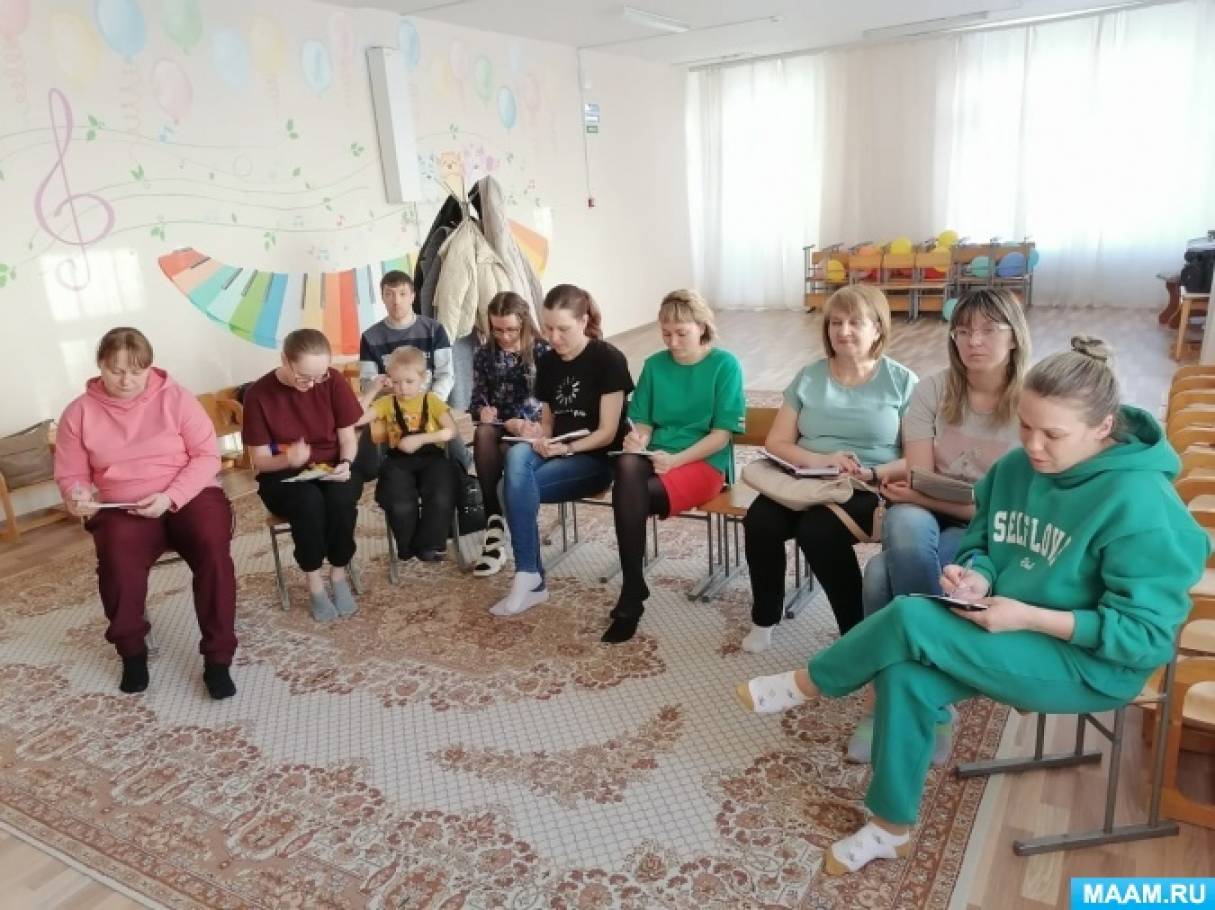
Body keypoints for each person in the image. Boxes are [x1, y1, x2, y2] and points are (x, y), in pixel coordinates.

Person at [737, 337, 1208, 876]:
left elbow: (1144, 639)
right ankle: (890, 829)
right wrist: (977, 576)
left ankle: (809, 683)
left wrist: (1026, 616)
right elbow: (984, 541)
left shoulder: (1144, 507)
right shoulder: (1016, 468)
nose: (1033, 446)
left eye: (1053, 434)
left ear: (1103, 427)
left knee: (910, 615)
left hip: (1094, 663)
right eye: (1025, 426)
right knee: (905, 675)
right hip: (1015, 625)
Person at [849, 288, 1031, 764]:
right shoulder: (933, 388)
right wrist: (923, 496)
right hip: (927, 506)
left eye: (989, 330)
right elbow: (920, 475)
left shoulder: (1030, 402)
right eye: (963, 331)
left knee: (879, 576)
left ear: (1014, 336)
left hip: (983, 527)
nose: (974, 341)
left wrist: (923, 496)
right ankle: (929, 696)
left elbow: (1001, 512)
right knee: (907, 530)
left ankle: (889, 697)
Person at [54, 327, 237, 699]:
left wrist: (170, 497)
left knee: (213, 548)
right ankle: (132, 652)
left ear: (150, 367)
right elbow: (72, 475)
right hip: (122, 505)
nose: (127, 380)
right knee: (116, 559)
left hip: (189, 493)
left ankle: (218, 657)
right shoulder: (78, 413)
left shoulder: (178, 398)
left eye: (136, 371)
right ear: (100, 365)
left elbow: (207, 457)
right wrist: (77, 494)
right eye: (116, 370)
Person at [740, 286, 916, 652]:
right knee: (760, 520)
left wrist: (872, 473)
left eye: (855, 322)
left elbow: (917, 458)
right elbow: (777, 442)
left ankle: (855, 633)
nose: (843, 331)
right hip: (807, 478)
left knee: (817, 530)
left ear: (878, 329)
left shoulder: (902, 381)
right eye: (835, 322)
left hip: (868, 485)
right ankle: (765, 616)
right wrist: (822, 460)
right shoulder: (809, 377)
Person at [606, 289, 745, 643]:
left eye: (681, 333)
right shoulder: (655, 365)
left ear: (702, 327)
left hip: (703, 462)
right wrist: (639, 440)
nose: (672, 342)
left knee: (629, 493)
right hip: (657, 456)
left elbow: (722, 435)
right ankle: (633, 585)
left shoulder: (725, 365)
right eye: (666, 333)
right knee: (627, 465)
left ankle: (631, 594)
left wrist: (676, 460)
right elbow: (644, 421)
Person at [490, 284, 634, 617]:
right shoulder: (549, 362)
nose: (553, 338)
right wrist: (538, 436)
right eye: (548, 328)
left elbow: (607, 433)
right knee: (516, 454)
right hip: (558, 449)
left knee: (507, 488)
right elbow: (548, 423)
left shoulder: (608, 359)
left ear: (583, 321)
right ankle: (529, 576)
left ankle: (531, 579)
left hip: (596, 460)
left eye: (563, 329)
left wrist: (566, 448)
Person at [242, 328, 365, 623]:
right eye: (304, 377)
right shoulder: (258, 395)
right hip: (282, 475)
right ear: (285, 360)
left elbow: (348, 438)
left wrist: (346, 462)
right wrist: (287, 458)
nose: (312, 385)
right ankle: (314, 582)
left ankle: (338, 574)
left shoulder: (333, 381)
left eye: (319, 376)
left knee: (341, 498)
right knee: (308, 502)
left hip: (330, 466)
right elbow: (259, 461)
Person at [469, 291, 550, 577]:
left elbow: (550, 404)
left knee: (508, 451)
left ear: (524, 323)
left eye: (511, 330)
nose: (504, 336)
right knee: (483, 434)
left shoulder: (543, 352)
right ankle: (494, 522)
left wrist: (527, 424)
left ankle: (505, 535)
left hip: (532, 431)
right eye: (497, 329)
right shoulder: (484, 354)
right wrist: (482, 411)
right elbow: (477, 400)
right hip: (500, 428)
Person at [356, 346, 457, 562]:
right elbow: (356, 419)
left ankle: (429, 545)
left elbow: (451, 431)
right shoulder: (386, 403)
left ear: (423, 378)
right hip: (398, 461)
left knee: (441, 493)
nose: (402, 388)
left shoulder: (432, 400)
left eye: (409, 381)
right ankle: (408, 545)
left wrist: (420, 439)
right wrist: (373, 389)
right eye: (396, 382)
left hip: (432, 458)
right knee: (398, 499)